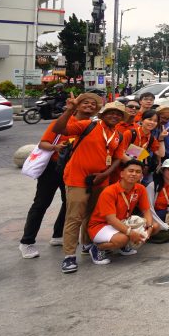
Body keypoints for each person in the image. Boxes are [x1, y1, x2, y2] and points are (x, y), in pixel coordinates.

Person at [19, 92, 101, 259]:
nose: (89, 105)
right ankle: (27, 242)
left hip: (73, 171)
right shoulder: (64, 121)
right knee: (41, 203)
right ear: (77, 105)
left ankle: (58, 235)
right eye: (85, 102)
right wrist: (55, 148)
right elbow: (43, 143)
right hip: (53, 167)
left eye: (93, 104)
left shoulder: (93, 125)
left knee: (68, 204)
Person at [52, 99, 127, 274]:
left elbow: (117, 157)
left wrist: (106, 174)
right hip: (77, 178)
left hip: (100, 180)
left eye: (118, 114)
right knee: (74, 217)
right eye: (111, 112)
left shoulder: (118, 135)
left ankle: (87, 244)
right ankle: (69, 256)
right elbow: (59, 129)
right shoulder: (88, 125)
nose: (114, 116)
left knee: (93, 216)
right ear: (103, 114)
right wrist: (69, 110)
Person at [86, 160, 160, 266]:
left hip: (122, 222)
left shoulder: (140, 188)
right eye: (131, 171)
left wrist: (149, 226)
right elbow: (110, 219)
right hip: (100, 226)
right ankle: (97, 248)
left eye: (138, 172)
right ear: (122, 174)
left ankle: (123, 245)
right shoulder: (109, 191)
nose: (134, 174)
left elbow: (146, 210)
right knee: (124, 238)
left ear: (141, 175)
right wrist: (131, 233)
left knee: (156, 226)